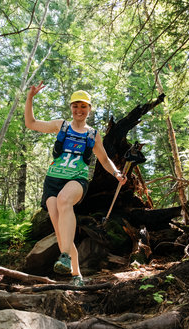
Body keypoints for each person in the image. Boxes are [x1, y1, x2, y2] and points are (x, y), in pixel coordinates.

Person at [25, 82, 127, 286]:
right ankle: (76, 275)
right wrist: (30, 98)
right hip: (53, 179)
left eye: (83, 106)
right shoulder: (60, 125)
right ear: (71, 108)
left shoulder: (92, 134)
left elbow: (104, 159)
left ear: (89, 109)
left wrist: (117, 173)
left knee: (65, 200)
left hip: (77, 180)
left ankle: (64, 257)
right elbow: (32, 123)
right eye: (75, 106)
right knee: (62, 231)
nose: (79, 110)